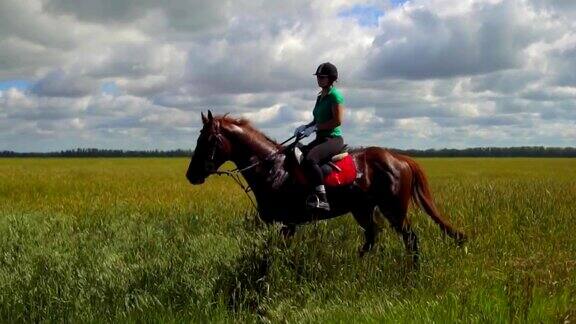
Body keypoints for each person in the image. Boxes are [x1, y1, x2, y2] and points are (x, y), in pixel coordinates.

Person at [294, 62, 345, 211]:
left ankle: (322, 199)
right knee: (298, 154)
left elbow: (337, 121)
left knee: (311, 159)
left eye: (322, 77)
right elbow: (317, 120)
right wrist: (306, 127)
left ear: (331, 79)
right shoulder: (320, 96)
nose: (319, 79)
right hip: (320, 138)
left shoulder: (335, 95)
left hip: (333, 139)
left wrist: (315, 127)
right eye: (318, 77)